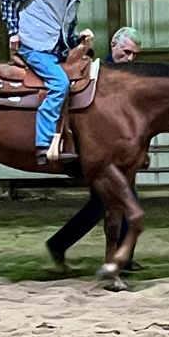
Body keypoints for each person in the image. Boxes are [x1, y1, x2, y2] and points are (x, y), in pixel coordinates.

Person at [0, 0, 115, 164]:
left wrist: (78, 39)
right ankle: (43, 144)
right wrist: (13, 31)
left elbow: (64, 34)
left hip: (52, 50)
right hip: (33, 45)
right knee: (60, 83)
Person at [46, 27, 142, 271]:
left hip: (118, 154)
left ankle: (64, 244)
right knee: (115, 202)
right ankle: (119, 256)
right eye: (126, 52)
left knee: (109, 203)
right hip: (102, 153)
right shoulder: (102, 75)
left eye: (134, 55)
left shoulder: (126, 79)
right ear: (113, 46)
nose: (130, 59)